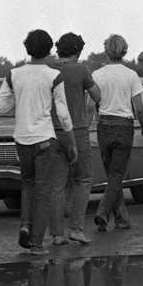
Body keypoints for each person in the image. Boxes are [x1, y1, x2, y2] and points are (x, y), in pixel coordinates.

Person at [0, 29, 77, 254]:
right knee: (43, 190)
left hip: (22, 139)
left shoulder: (13, 74)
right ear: (49, 50)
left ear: (27, 48)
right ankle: (37, 242)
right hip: (44, 139)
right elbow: (63, 113)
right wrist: (70, 141)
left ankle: (24, 226)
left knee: (28, 185)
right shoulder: (54, 75)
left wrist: (20, 102)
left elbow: (0, 107)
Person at [91, 34, 143, 232]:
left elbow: (90, 104)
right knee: (117, 174)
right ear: (124, 51)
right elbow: (140, 108)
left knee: (112, 174)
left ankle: (122, 219)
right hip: (123, 126)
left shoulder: (97, 75)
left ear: (106, 50)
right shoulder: (131, 75)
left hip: (103, 126)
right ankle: (103, 211)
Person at [50, 32, 102, 245]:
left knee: (57, 184)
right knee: (82, 179)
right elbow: (97, 95)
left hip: (53, 131)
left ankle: (56, 234)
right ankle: (77, 229)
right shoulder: (81, 69)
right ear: (79, 51)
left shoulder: (51, 71)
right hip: (78, 130)